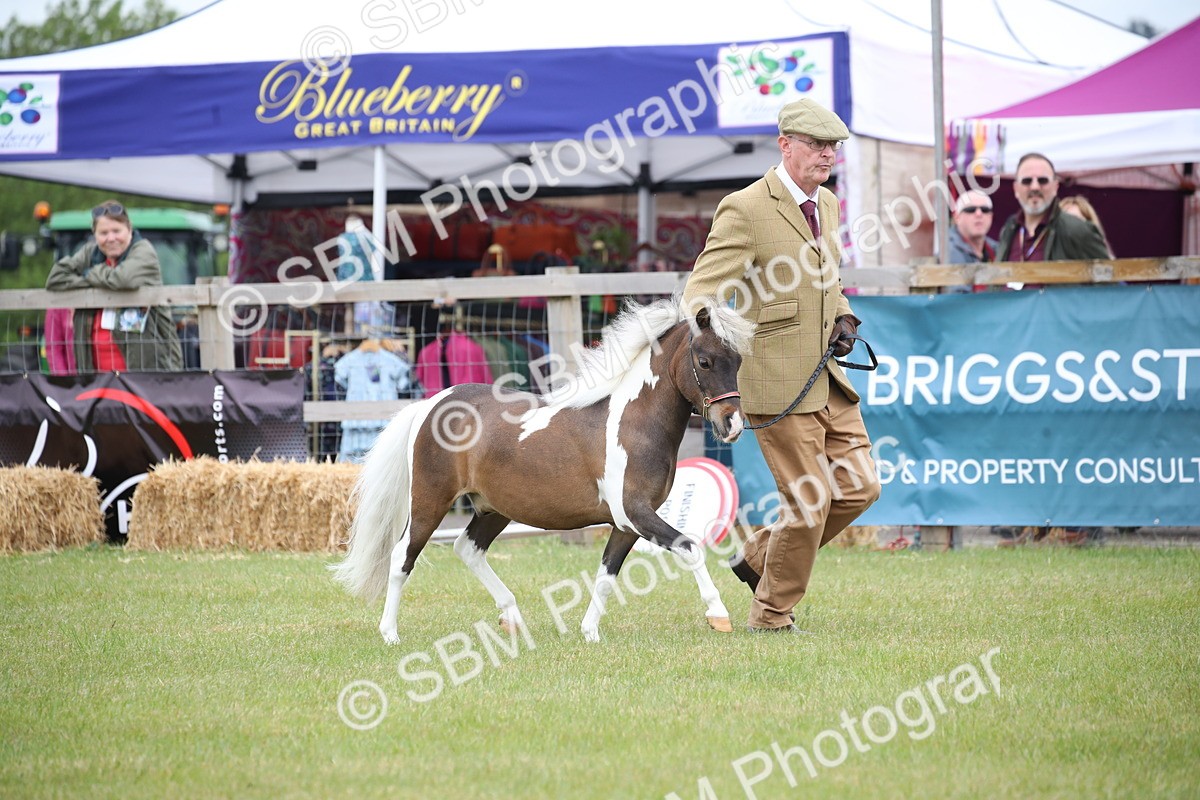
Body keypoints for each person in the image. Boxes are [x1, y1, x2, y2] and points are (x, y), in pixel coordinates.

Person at [682, 98, 881, 634]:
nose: (828, 155)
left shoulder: (830, 205)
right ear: (785, 145)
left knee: (861, 487)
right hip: (775, 381)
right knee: (810, 503)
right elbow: (700, 290)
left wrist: (843, 316)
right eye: (817, 145)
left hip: (827, 376)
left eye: (833, 146)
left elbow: (828, 278)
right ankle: (771, 613)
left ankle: (757, 557)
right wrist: (716, 344)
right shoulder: (745, 208)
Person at [45, 200, 183, 372]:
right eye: (103, 233)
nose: (111, 238)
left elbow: (123, 279)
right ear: (94, 234)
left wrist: (89, 274)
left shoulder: (143, 251)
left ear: (129, 230)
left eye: (116, 231)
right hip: (95, 374)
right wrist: (92, 282)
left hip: (145, 374)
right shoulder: (91, 252)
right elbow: (55, 278)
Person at [996, 153, 1110, 262]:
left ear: (1055, 187)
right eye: (1027, 181)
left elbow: (1108, 277)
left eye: (1042, 180)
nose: (1035, 187)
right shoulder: (1009, 230)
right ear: (1016, 189)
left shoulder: (1079, 230)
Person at [947, 190, 998, 264]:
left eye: (985, 210)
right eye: (971, 210)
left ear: (991, 217)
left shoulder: (1000, 249)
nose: (979, 214)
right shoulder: (945, 251)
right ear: (957, 218)